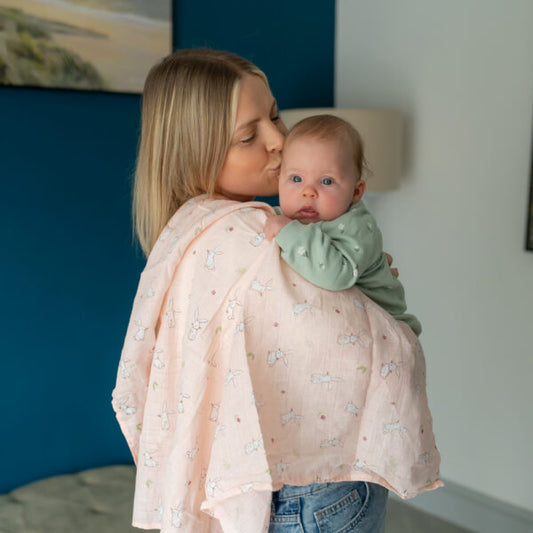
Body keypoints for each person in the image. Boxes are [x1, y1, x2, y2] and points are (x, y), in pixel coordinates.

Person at [112, 48, 442, 533]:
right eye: (249, 135)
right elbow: (362, 342)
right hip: (318, 483)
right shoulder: (251, 234)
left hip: (287, 480)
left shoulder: (193, 228)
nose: (278, 140)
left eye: (274, 115)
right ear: (196, 151)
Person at [264, 114, 422, 336]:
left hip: (385, 329)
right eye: (296, 179)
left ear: (356, 192)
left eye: (326, 181)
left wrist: (288, 232)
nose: (308, 192)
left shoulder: (357, 226)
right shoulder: (278, 217)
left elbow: (334, 276)